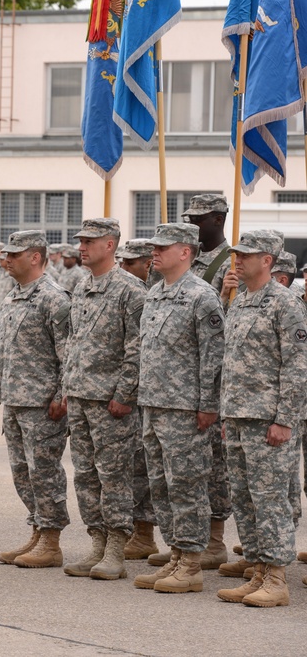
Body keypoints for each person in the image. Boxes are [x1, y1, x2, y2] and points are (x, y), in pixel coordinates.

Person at [213, 230, 307, 607]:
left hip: (268, 419)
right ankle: (255, 570)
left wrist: (285, 418)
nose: (238, 259)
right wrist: (226, 412)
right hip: (237, 415)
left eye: (247, 255)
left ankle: (277, 578)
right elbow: (231, 361)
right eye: (237, 253)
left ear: (268, 260)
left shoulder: (285, 304)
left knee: (270, 499)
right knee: (245, 497)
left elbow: (297, 366)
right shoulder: (241, 301)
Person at [133, 222, 224, 594]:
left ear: (185, 251)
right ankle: (174, 553)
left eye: (162, 247)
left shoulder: (203, 297)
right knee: (161, 486)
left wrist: (208, 406)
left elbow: (214, 357)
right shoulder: (155, 293)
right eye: (153, 247)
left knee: (187, 485)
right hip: (153, 405)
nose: (154, 253)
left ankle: (191, 562)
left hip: (186, 409)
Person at [61, 219, 147, 581]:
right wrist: (68, 385)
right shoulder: (81, 287)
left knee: (114, 475)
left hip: (110, 401)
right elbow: (73, 340)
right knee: (85, 474)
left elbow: (136, 347)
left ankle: (116, 547)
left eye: (90, 241)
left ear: (110, 245)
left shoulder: (131, 290)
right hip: (81, 396)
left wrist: (125, 393)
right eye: (81, 240)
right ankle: (96, 541)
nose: (82, 247)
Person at [0, 230, 71, 568]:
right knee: (22, 473)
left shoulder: (54, 298)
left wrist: (61, 395)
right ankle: (38, 530)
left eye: (15, 254)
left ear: (36, 257)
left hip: (43, 404)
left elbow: (67, 354)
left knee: (44, 472)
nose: (6, 259)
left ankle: (51, 541)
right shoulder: (13, 296)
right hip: (15, 398)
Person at [174, 194, 232, 570]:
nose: (192, 224)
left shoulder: (232, 264)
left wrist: (228, 291)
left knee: (215, 466)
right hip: (180, 377)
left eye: (198, 218)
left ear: (217, 218)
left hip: (214, 376)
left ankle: (215, 539)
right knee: (187, 468)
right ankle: (186, 540)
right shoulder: (187, 261)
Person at [113, 238, 163, 560]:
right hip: (133, 392)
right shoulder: (137, 294)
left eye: (129, 263)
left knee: (145, 467)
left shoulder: (145, 296)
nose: (123, 267)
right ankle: (140, 532)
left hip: (148, 395)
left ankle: (145, 533)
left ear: (146, 264)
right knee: (134, 466)